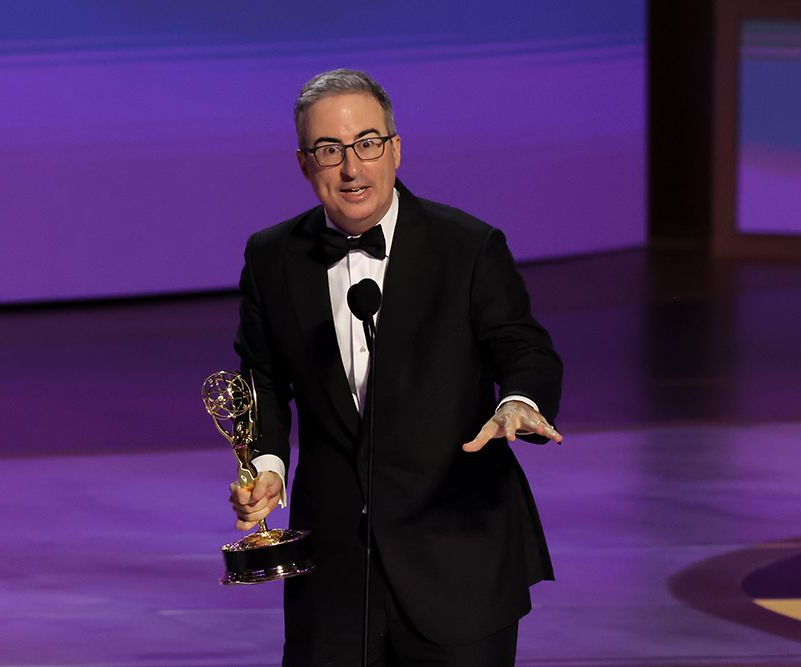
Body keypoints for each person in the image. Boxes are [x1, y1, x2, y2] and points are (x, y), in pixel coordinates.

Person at [229, 68, 563, 666]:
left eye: (367, 143)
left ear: (395, 149)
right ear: (305, 163)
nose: (352, 168)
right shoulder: (272, 256)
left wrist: (519, 401)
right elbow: (264, 379)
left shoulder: (467, 247)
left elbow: (525, 349)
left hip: (457, 558)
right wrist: (269, 465)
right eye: (330, 150)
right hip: (333, 573)